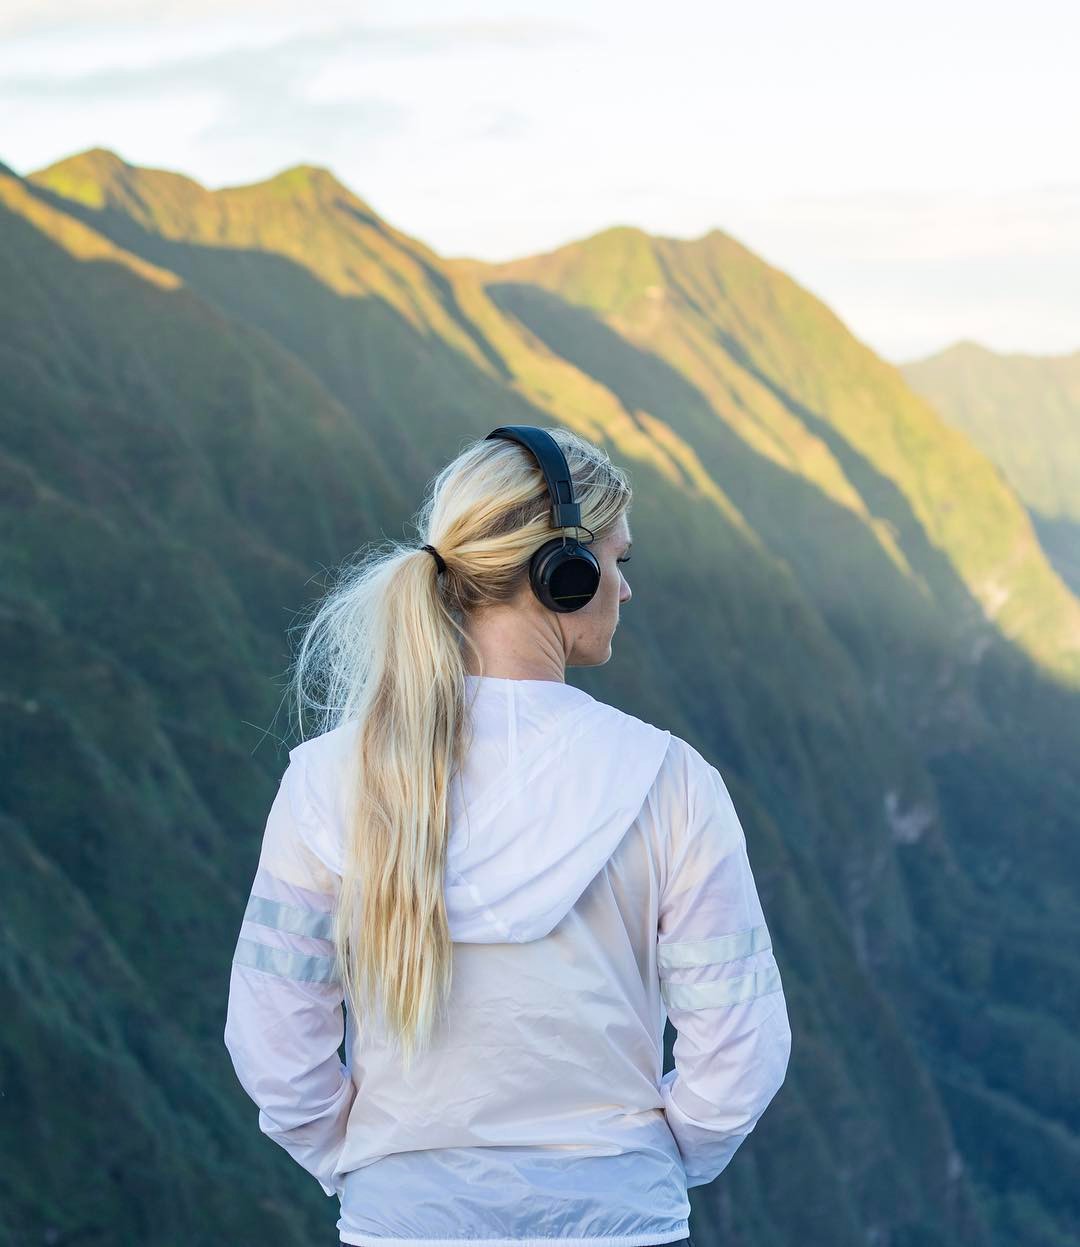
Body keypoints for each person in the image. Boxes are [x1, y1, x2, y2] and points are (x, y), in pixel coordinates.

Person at [223, 424, 792, 1247]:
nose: (623, 590)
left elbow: (274, 1035)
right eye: (615, 561)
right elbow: (739, 1047)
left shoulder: (330, 777)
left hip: (403, 1224)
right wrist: (650, 1159)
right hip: (619, 1222)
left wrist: (366, 1159)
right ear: (561, 572)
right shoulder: (669, 780)